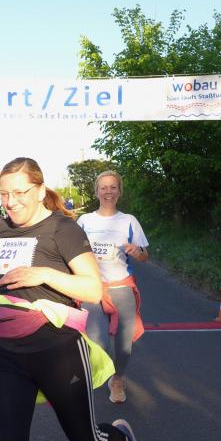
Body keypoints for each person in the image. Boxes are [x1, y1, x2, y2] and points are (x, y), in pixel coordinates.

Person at [0, 157, 147, 441]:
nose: (10, 202)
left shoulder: (63, 229)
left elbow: (91, 288)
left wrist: (45, 275)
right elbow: (9, 287)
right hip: (8, 356)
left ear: (39, 190)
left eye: (19, 192)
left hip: (59, 352)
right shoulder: (0, 230)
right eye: (4, 194)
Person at [77, 171, 149, 404]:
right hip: (93, 288)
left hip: (121, 286)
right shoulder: (85, 221)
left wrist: (138, 253)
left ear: (119, 191)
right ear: (96, 191)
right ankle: (102, 370)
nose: (108, 192)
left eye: (113, 187)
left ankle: (117, 379)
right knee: (98, 341)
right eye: (104, 187)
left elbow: (144, 256)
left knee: (125, 343)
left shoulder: (129, 221)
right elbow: (72, 253)